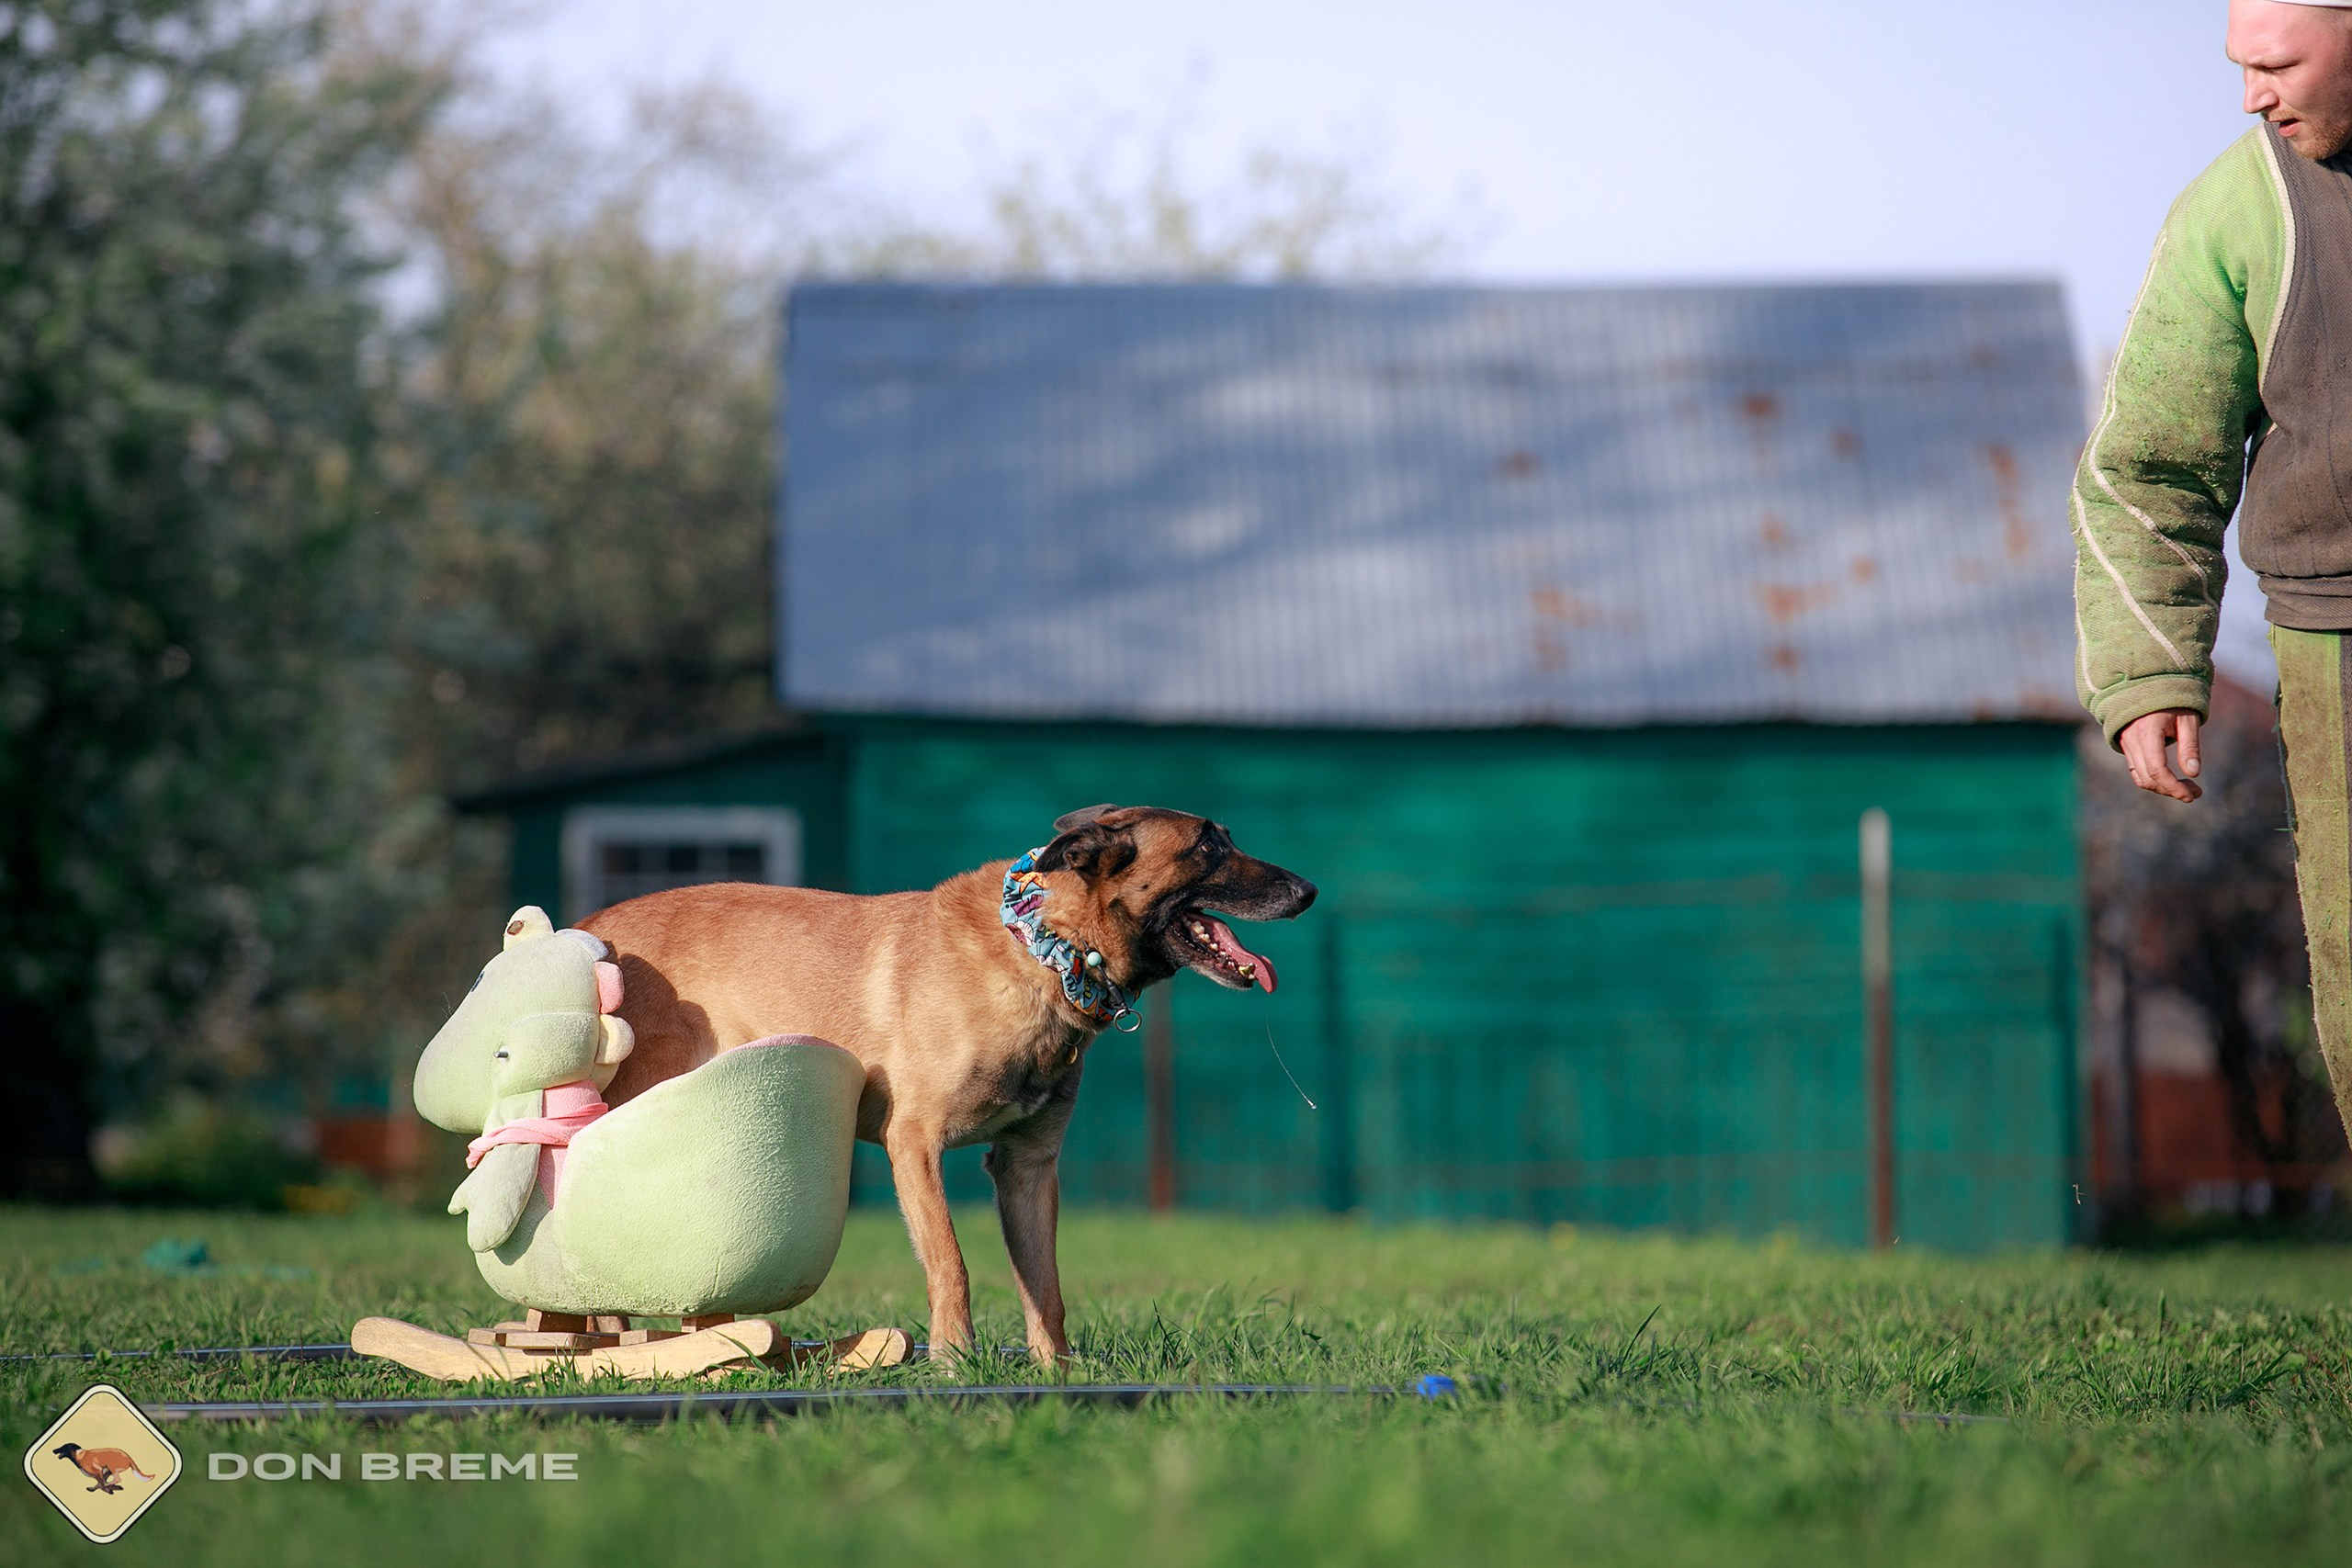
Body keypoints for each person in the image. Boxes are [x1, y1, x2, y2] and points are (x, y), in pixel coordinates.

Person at [2075, 0, 2352, 1132]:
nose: (2250, 93)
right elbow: (2147, 467)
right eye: (2238, 64)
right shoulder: (2238, 215)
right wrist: (2147, 671)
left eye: (2276, 62)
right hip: (2336, 645)